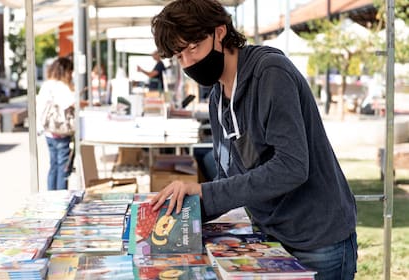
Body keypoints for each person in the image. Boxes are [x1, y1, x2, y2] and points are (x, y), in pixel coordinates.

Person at [149, 1, 358, 279]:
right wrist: (183, 211)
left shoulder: (271, 73)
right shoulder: (217, 98)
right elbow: (230, 179)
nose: (188, 63)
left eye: (192, 48)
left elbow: (291, 167)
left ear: (219, 32)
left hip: (317, 240)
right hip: (271, 239)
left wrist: (204, 192)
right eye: (179, 56)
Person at [36, 57, 76, 191]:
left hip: (48, 131)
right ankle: (61, 198)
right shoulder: (61, 86)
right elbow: (71, 103)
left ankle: (50, 196)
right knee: (63, 166)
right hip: (61, 131)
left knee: (53, 165)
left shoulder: (46, 85)